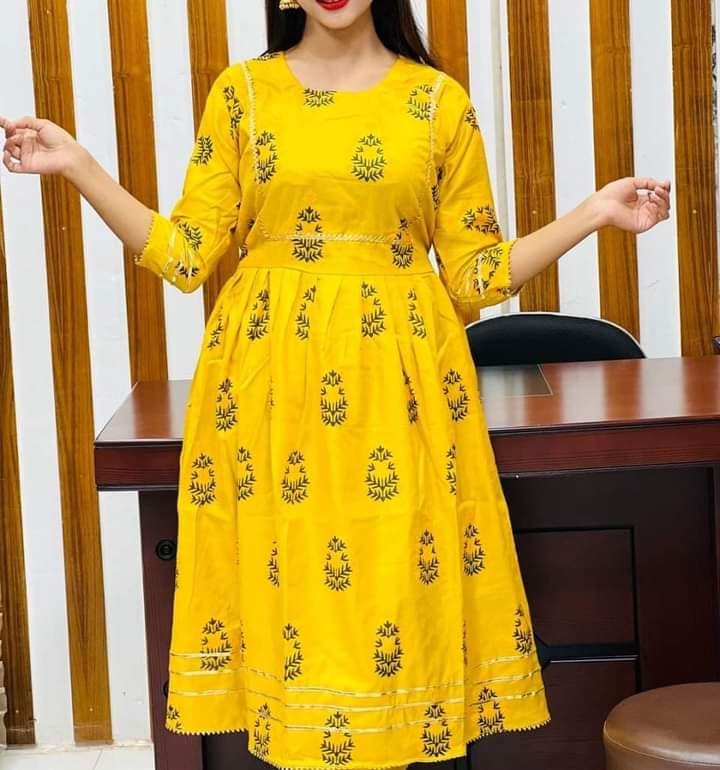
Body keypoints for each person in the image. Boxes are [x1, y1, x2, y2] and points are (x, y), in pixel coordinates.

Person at [0, 0, 671, 767]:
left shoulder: (435, 101)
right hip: (271, 386)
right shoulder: (245, 94)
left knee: (396, 589)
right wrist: (78, 165)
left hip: (401, 388)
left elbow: (475, 273)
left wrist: (592, 213)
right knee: (294, 603)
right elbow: (184, 254)